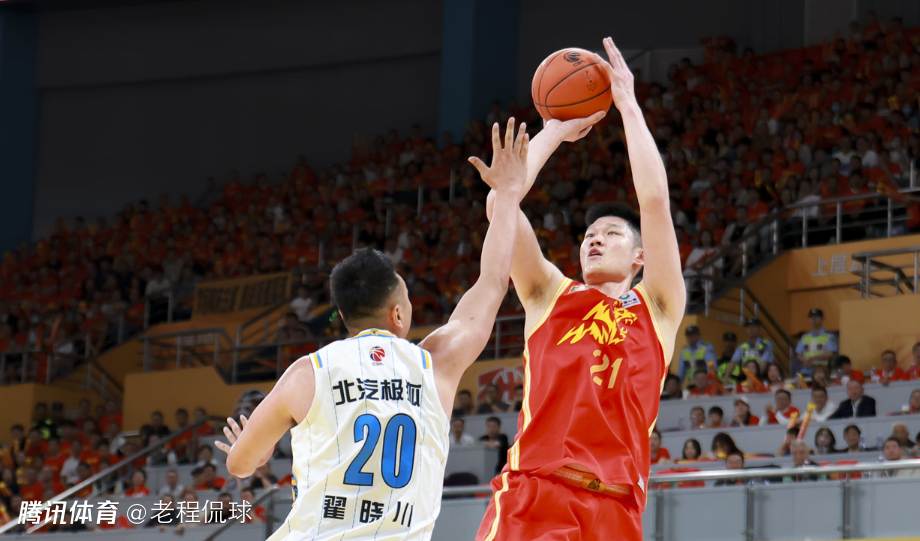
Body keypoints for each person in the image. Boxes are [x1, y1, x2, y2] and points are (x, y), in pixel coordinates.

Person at [215, 118, 532, 540]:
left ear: (345, 314)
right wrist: (507, 193)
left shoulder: (306, 373)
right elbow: (492, 282)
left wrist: (258, 455)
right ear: (397, 314)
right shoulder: (436, 364)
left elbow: (238, 465)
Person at [475, 40, 685, 541]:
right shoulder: (548, 293)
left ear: (640, 258)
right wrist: (555, 129)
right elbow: (500, 206)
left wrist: (627, 104)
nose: (595, 239)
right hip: (536, 494)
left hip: (617, 508)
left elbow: (655, 202)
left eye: (611, 234)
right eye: (589, 234)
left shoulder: (658, 307)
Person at [794, 308, 837, 376]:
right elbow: (798, 354)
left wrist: (812, 358)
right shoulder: (805, 337)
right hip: (806, 370)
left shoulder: (828, 336)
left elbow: (830, 353)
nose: (813, 320)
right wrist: (804, 360)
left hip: (821, 370)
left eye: (816, 317)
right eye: (811, 317)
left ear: (822, 319)